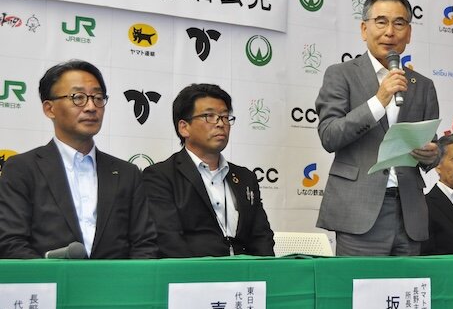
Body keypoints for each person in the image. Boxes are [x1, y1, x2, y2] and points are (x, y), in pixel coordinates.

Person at [315, 0, 440, 256]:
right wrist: (378, 101)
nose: (390, 32)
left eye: (399, 23)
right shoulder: (341, 75)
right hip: (358, 211)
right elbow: (329, 135)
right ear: (364, 29)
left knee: (410, 284)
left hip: (409, 213)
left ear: (409, 33)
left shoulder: (422, 85)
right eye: (381, 22)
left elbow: (432, 146)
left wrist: (432, 154)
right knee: (359, 283)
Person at [0, 60, 158, 259]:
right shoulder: (22, 169)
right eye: (78, 98)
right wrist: (53, 276)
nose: (91, 107)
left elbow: (144, 244)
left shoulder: (127, 173)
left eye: (98, 98)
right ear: (49, 109)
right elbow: (11, 242)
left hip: (115, 279)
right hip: (50, 278)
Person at [140, 83, 274, 257]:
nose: (220, 124)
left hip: (246, 271)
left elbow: (261, 238)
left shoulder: (245, 178)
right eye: (209, 116)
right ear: (184, 127)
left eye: (225, 117)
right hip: (193, 271)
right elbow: (168, 240)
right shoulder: (160, 177)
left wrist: (265, 271)